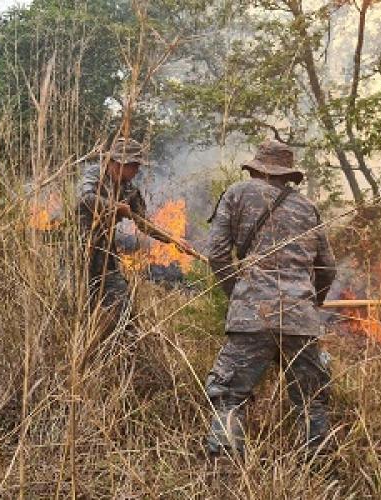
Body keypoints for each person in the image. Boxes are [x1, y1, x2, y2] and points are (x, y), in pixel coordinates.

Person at [204, 139, 337, 458]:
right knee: (311, 400)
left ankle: (224, 470)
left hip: (252, 314)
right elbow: (328, 268)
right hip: (300, 320)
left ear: (256, 167)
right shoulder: (308, 207)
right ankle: (322, 469)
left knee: (229, 396)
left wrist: (236, 294)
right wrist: (310, 306)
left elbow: (217, 254)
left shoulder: (236, 193)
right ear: (287, 174)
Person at [76, 137, 194, 336]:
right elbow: (84, 198)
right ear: (119, 162)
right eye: (134, 165)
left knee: (122, 307)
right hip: (78, 252)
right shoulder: (95, 174)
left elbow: (145, 224)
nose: (137, 170)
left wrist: (173, 240)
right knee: (77, 308)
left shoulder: (130, 190)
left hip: (105, 257)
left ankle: (123, 348)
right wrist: (113, 207)